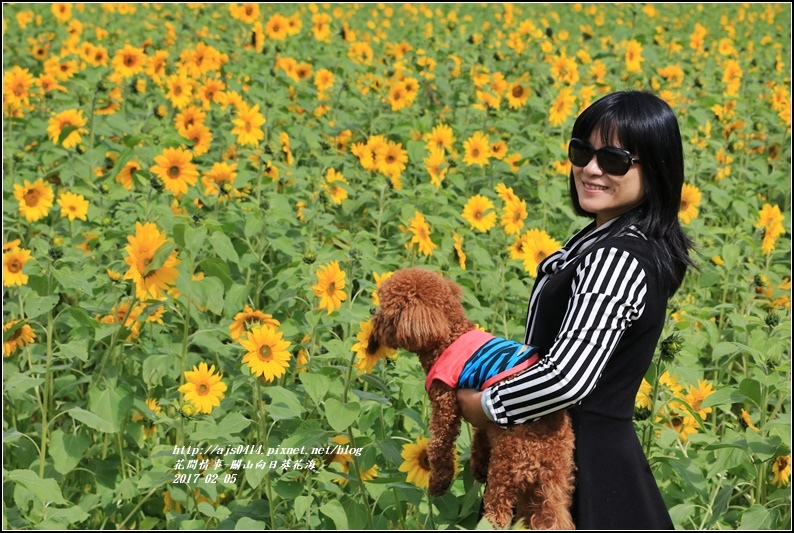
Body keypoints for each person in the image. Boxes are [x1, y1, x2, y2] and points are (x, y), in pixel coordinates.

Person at [457, 90, 696, 530]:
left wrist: (485, 405)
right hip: (562, 454)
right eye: (582, 151)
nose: (591, 168)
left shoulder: (617, 257)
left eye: (615, 159)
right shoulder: (599, 239)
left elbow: (567, 377)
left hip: (583, 469)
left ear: (657, 169)